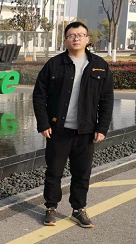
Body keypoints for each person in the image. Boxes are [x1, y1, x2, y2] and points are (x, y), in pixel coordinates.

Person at [32, 22, 114, 228]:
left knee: (82, 173)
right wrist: (43, 123)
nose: (76, 38)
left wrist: (102, 128)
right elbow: (39, 95)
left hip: (86, 131)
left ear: (87, 39)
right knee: (54, 172)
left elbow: (106, 99)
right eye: (71, 35)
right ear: (66, 40)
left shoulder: (99, 65)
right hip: (58, 130)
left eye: (80, 35)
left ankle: (79, 209)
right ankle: (51, 208)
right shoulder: (54, 64)